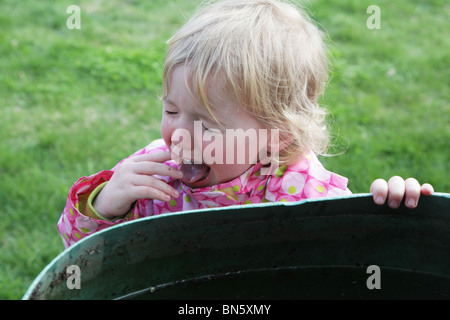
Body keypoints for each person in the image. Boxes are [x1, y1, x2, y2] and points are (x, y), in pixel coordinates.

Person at [57, 0, 433, 248]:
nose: (179, 134)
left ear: (276, 135)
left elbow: (360, 264)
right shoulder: (153, 174)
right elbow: (83, 257)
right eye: (171, 111)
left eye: (207, 125)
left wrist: (392, 213)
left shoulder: (303, 193)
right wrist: (107, 204)